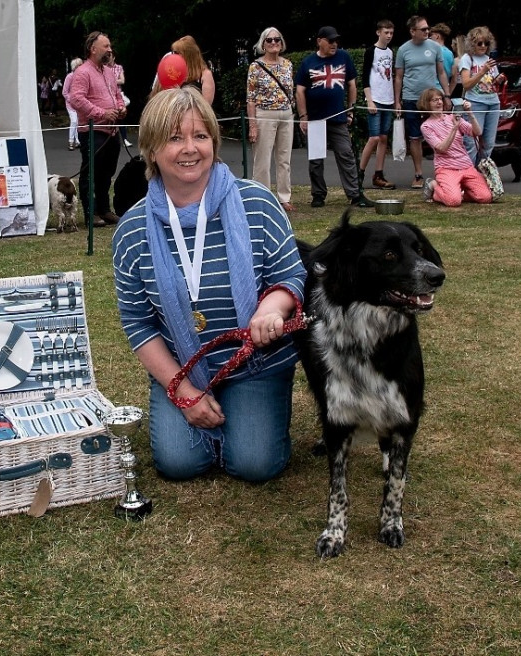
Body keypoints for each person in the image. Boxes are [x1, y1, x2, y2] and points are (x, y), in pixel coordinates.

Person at [111, 86, 306, 483]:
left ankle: (244, 422)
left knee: (255, 465)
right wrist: (182, 393)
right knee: (178, 465)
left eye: (200, 136)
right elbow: (138, 322)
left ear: (214, 143)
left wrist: (272, 309)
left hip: (256, 366)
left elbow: (291, 276)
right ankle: (211, 421)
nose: (190, 149)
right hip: (184, 368)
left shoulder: (258, 202)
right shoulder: (132, 230)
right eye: (174, 137)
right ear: (150, 150)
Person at [294, 26, 374, 209]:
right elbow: (300, 90)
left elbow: (352, 85)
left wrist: (350, 110)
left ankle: (355, 195)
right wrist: (303, 116)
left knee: (346, 154)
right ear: (319, 41)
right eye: (330, 41)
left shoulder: (344, 57)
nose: (334, 44)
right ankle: (318, 195)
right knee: (316, 159)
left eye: (336, 40)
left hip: (338, 118)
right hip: (315, 118)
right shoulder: (308, 62)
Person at [66, 31, 127, 227]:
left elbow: (117, 94)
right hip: (92, 131)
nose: (110, 50)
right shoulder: (83, 72)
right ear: (93, 49)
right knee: (90, 174)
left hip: (111, 131)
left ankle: (104, 209)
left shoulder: (109, 72)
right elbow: (76, 99)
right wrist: (102, 113)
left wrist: (120, 107)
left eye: (109, 46)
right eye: (106, 46)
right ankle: (90, 213)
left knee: (106, 173)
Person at [394, 15, 452, 189]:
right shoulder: (403, 50)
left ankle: (444, 173)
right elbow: (398, 77)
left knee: (441, 133)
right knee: (415, 137)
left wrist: (446, 95)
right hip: (411, 98)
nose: (428, 31)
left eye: (428, 28)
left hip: (432, 98)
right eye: (423, 29)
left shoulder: (435, 47)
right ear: (413, 31)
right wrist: (397, 101)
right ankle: (418, 174)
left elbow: (441, 73)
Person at [246, 26, 295, 212]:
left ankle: (284, 197)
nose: (274, 43)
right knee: (262, 159)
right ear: (263, 44)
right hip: (264, 115)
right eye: (269, 40)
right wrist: (253, 125)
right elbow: (250, 98)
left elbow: (291, 90)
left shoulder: (288, 64)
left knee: (284, 158)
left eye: (277, 39)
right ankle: (262, 196)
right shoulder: (255, 66)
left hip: (286, 114)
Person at [418, 88, 492, 206]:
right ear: (427, 104)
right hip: (446, 167)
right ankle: (434, 185)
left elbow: (477, 132)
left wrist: (470, 113)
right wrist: (454, 129)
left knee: (486, 197)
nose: (439, 102)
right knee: (453, 201)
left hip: (466, 165)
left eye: (440, 99)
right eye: (434, 100)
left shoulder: (452, 117)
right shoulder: (426, 126)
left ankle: (456, 189)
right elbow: (441, 148)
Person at [359, 19, 398, 190]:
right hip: (375, 99)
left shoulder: (390, 52)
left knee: (383, 138)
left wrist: (396, 101)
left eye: (391, 33)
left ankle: (379, 173)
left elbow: (391, 76)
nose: (389, 36)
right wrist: (369, 100)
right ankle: (359, 173)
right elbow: (365, 77)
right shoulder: (371, 51)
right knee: (374, 137)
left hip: (388, 99)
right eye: (386, 32)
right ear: (378, 32)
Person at [459, 27, 506, 165]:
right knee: (471, 143)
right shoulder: (467, 59)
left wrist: (498, 80)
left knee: (489, 143)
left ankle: (482, 174)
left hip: (493, 102)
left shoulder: (489, 59)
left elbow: (491, 82)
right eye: (480, 43)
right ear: (472, 44)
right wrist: (483, 70)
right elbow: (466, 84)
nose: (483, 46)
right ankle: (469, 176)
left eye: (486, 43)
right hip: (475, 102)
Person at [152, 35, 216, 105]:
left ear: (188, 54)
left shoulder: (205, 75)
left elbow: (206, 106)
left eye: (177, 53)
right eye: (173, 52)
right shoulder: (172, 73)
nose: (173, 55)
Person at [108, 53, 132, 147]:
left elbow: (122, 80)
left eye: (110, 56)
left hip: (118, 95)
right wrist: (115, 80)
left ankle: (125, 139)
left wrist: (111, 81)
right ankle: (111, 139)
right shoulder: (104, 68)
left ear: (114, 57)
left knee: (121, 117)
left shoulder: (119, 67)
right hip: (109, 95)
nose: (108, 58)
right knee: (112, 117)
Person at [429, 23, 458, 91]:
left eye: (431, 35)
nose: (429, 38)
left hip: (431, 90)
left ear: (437, 36)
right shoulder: (450, 53)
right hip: (443, 90)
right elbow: (454, 78)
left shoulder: (431, 52)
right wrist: (448, 94)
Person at [63, 58, 82, 150]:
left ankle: (78, 141)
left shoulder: (82, 77)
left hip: (79, 104)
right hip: (71, 104)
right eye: (79, 65)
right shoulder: (70, 76)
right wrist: (71, 100)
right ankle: (71, 141)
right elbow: (65, 92)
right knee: (74, 121)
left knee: (78, 122)